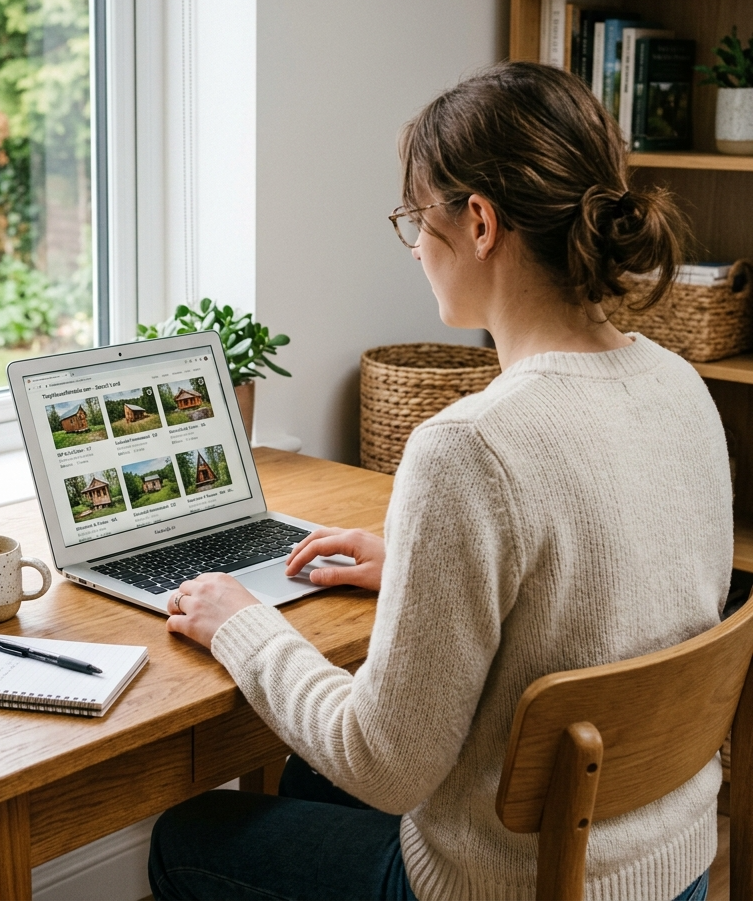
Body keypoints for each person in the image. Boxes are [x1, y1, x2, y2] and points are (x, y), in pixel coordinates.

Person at [147, 62, 731, 901]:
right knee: (306, 780)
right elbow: (619, 580)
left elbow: (385, 767)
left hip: (510, 884)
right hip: (670, 869)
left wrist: (242, 626)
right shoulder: (680, 384)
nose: (416, 246)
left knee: (188, 836)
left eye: (416, 220)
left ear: (481, 223)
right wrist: (418, 566)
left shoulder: (470, 448)